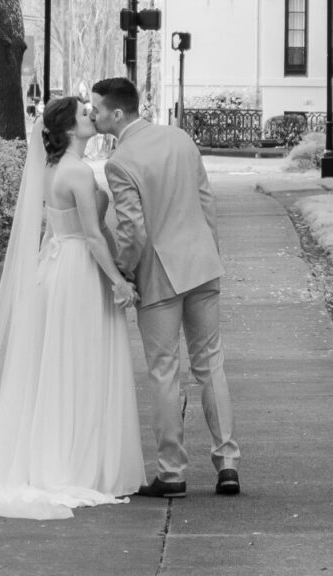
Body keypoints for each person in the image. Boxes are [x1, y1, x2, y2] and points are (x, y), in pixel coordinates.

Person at [0, 95, 145, 518]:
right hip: (78, 272)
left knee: (57, 364)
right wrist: (119, 282)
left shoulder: (51, 169)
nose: (93, 117)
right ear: (70, 129)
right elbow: (92, 236)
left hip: (54, 268)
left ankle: (56, 456)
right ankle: (77, 462)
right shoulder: (78, 171)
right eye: (86, 115)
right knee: (81, 362)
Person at [92, 76, 241, 498]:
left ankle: (172, 472)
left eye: (97, 108)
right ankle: (228, 462)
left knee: (163, 372)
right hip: (202, 265)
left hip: (159, 275)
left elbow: (133, 230)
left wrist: (122, 272)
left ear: (117, 113)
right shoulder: (180, 139)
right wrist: (209, 252)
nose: (93, 114)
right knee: (211, 364)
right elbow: (206, 201)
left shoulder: (120, 162)